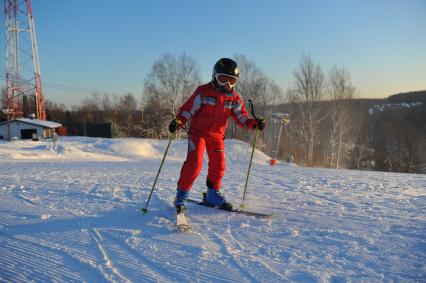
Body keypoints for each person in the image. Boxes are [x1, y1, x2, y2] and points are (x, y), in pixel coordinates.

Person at [168, 58, 265, 214]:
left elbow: (242, 117)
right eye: (223, 79)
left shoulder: (234, 98)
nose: (227, 84)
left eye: (232, 81)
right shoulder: (203, 92)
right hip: (198, 134)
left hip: (217, 137)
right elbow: (188, 109)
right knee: (195, 163)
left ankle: (212, 195)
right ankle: (181, 196)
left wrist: (254, 123)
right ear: (214, 76)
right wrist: (179, 121)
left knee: (219, 165)